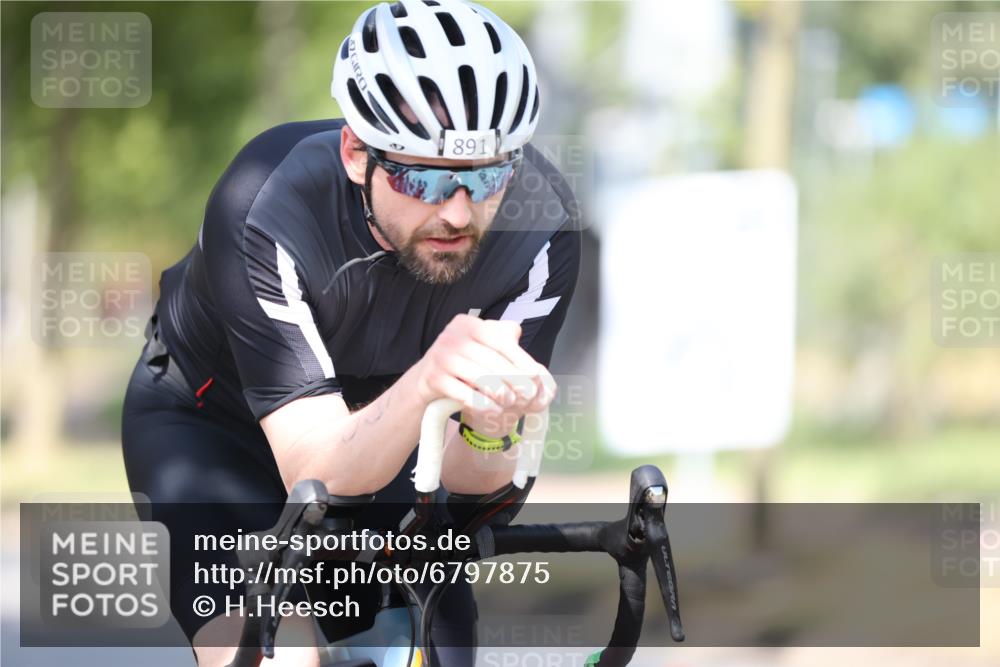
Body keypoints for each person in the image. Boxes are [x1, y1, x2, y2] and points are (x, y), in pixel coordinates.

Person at [121, 0, 581, 664]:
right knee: (279, 657)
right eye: (422, 175)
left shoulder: (540, 231)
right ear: (356, 153)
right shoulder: (265, 199)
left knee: (433, 647)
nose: (458, 211)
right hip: (213, 430)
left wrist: (489, 423)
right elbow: (315, 466)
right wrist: (429, 379)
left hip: (385, 435)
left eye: (487, 175)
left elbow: (472, 480)